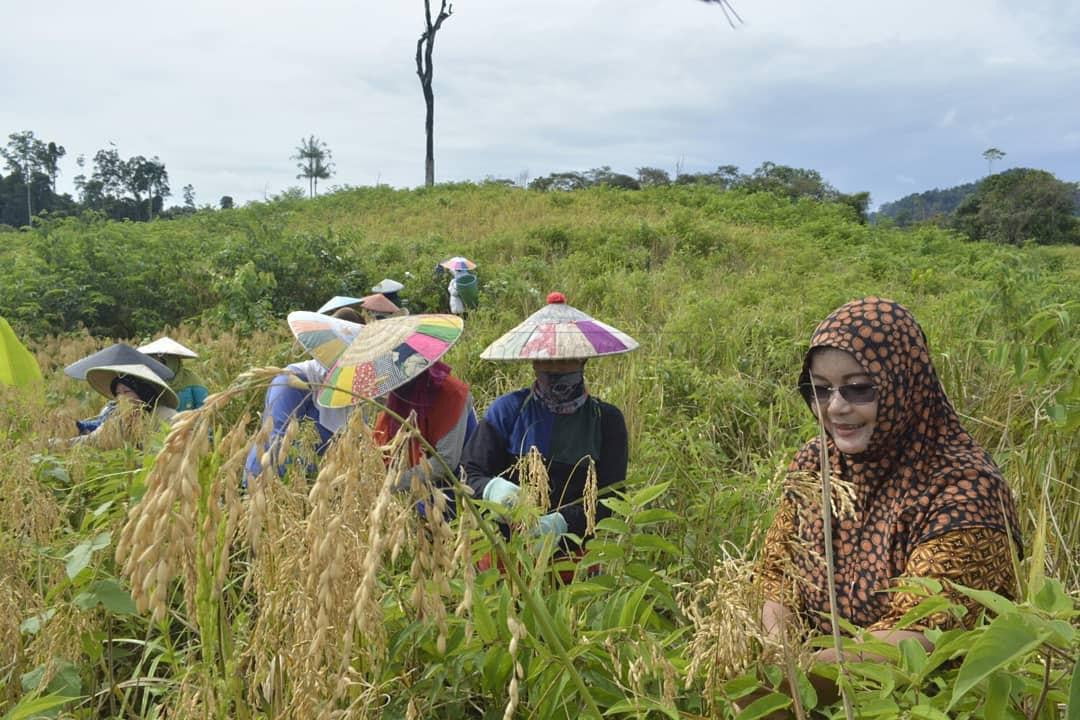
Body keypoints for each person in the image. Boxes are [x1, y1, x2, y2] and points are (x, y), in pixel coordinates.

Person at [756, 297, 1020, 705]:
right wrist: (778, 653)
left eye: (859, 388)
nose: (837, 408)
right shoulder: (818, 461)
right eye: (820, 389)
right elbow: (776, 572)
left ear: (904, 383)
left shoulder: (964, 488)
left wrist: (791, 680)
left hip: (924, 702)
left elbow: (922, 638)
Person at [461, 292, 638, 557]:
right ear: (533, 362)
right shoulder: (508, 411)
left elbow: (611, 496)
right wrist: (492, 488)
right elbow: (469, 474)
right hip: (507, 551)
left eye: (565, 359)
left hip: (574, 551)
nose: (555, 368)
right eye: (546, 359)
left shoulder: (606, 421)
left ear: (583, 360)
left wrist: (562, 523)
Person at [73, 363, 179, 448]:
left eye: (126, 391)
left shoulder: (166, 416)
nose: (121, 398)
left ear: (143, 393)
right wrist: (61, 444)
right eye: (118, 393)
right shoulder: (119, 421)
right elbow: (91, 440)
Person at [138, 337, 209, 411]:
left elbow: (203, 407)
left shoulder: (190, 378)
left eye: (161, 363)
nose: (157, 367)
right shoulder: (147, 380)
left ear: (173, 362)